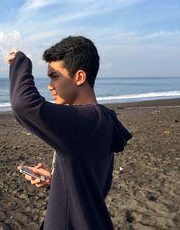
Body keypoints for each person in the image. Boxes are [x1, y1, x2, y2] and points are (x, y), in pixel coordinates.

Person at [7, 36, 132, 230]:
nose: (50, 85)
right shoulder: (100, 120)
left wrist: (20, 61)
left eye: (55, 76)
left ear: (79, 77)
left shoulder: (87, 120)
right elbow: (87, 178)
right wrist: (56, 178)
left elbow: (23, 105)